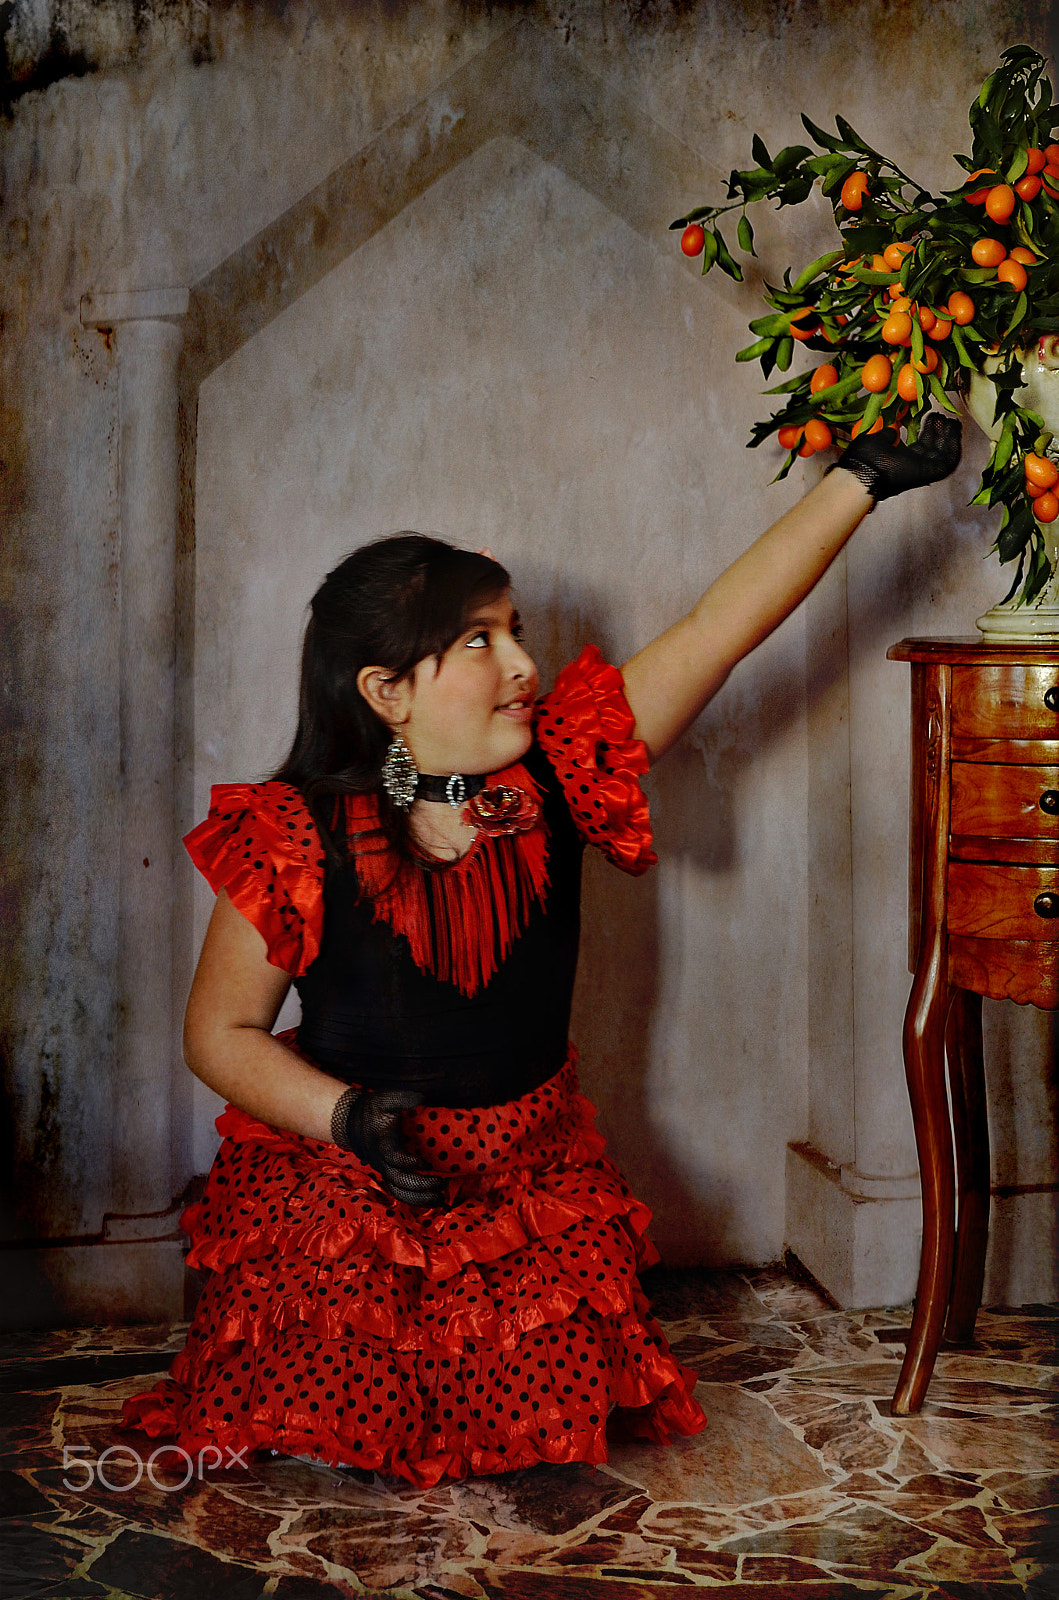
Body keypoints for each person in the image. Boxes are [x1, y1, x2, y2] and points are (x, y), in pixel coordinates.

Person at [123, 418, 960, 1485]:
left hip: (527, 1185)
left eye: (515, 631)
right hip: (359, 1184)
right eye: (481, 640)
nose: (525, 663)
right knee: (326, 1409)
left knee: (534, 1417)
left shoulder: (559, 775)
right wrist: (344, 1118)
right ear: (388, 692)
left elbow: (716, 631)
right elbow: (219, 1030)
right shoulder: (297, 828)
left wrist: (858, 482)